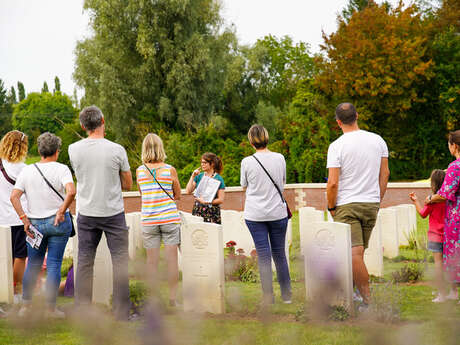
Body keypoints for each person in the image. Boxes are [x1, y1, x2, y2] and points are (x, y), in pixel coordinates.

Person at [69, 105, 133, 320]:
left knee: (85, 261)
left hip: (86, 211)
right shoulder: (117, 149)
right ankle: (122, 312)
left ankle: (82, 311)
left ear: (82, 125)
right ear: (103, 120)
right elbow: (128, 185)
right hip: (113, 211)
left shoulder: (73, 149)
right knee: (120, 261)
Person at [326, 103, 390, 308]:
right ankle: (353, 293)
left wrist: (331, 206)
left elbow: (333, 182)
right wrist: (377, 199)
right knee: (357, 254)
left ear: (338, 122)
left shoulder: (337, 146)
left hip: (347, 204)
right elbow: (385, 174)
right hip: (371, 203)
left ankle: (368, 301)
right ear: (357, 116)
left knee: (353, 254)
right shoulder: (378, 140)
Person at [10, 132, 75, 318]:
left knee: (33, 265)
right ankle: (50, 309)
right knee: (54, 265)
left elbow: (14, 196)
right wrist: (61, 211)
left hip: (34, 226)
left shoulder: (27, 171)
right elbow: (71, 191)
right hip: (58, 223)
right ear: (57, 151)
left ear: (39, 150)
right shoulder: (62, 169)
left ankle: (26, 307)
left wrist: (24, 219)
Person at [240, 124, 291, 305]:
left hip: (255, 214)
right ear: (267, 137)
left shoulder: (247, 162)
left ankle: (268, 297)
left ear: (251, 141)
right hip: (277, 212)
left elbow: (244, 186)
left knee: (263, 255)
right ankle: (287, 296)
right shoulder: (280, 158)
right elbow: (283, 181)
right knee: (279, 254)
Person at [136, 133, 181, 306]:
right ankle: (172, 299)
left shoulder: (140, 171)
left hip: (149, 219)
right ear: (161, 148)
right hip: (169, 218)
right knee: (171, 261)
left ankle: (153, 298)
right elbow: (177, 195)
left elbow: (142, 194)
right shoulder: (169, 169)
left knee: (151, 263)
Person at [425, 130, 460, 301]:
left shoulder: (455, 166)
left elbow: (445, 193)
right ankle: (454, 292)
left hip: (457, 216)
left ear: (454, 146)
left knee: (455, 253)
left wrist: (431, 198)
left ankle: (453, 292)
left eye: (449, 144)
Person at [409, 170, 455, 302]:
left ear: (433, 183)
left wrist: (416, 201)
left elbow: (423, 214)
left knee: (438, 265)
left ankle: (441, 294)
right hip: (449, 236)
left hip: (436, 236)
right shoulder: (449, 200)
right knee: (451, 264)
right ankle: (453, 292)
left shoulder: (432, 200)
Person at [0, 130, 28, 305]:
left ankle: (5, 288)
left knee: (4, 255)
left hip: (1, 219)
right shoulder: (25, 169)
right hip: (20, 218)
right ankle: (15, 289)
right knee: (20, 255)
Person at [185, 152, 225, 224]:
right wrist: (192, 176)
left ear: (212, 164)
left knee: (212, 233)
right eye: (201, 162)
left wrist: (207, 201)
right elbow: (188, 191)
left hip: (212, 211)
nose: (202, 164)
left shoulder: (218, 178)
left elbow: (221, 199)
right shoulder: (199, 176)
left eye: (205, 163)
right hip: (198, 209)